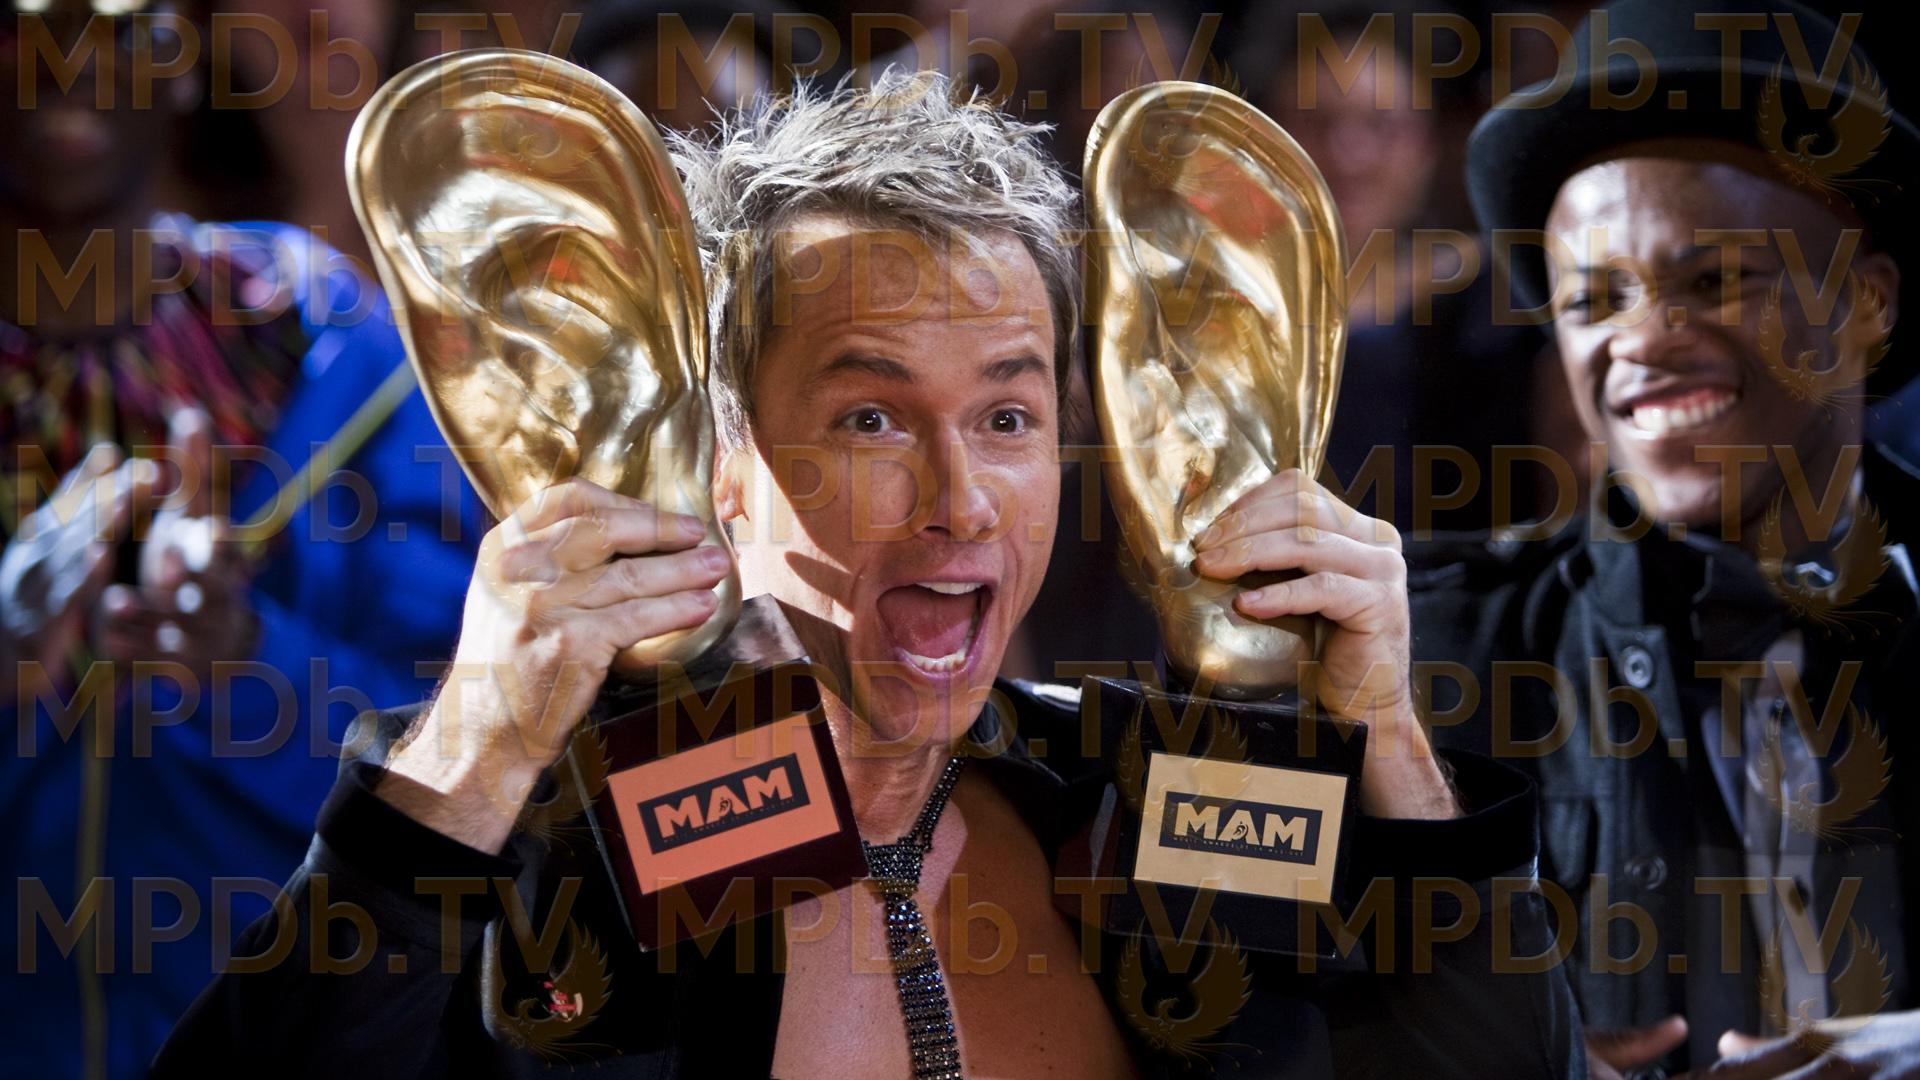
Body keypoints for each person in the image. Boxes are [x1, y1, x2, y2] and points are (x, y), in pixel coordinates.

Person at [155, 69, 1582, 1077]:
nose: (960, 503)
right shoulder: (544, 839)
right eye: (872, 420)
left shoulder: (1160, 799)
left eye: (1007, 418)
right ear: (720, 463)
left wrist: (1385, 738)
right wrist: (475, 750)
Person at [1414, 1, 1920, 1076]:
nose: (1643, 339)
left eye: (1715, 280)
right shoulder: (1428, 662)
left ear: (1867, 304)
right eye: (1592, 301)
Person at [0, 1, 483, 1075]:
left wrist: (243, 662)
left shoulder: (337, 351)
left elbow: (471, 754)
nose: (66, 59)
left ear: (182, 54)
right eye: (21, 22)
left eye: (119, 21)